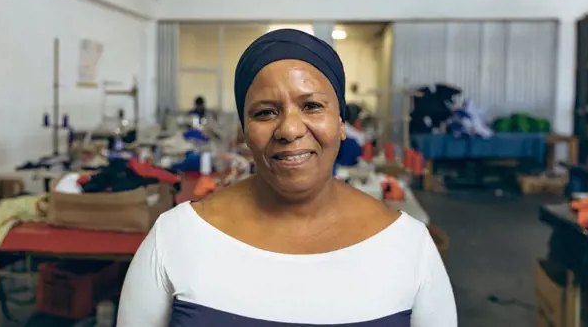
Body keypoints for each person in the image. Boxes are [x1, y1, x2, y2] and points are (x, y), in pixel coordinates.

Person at [117, 29, 457, 326]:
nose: (290, 129)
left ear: (341, 123)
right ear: (245, 132)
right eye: (265, 112)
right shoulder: (175, 239)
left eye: (311, 106)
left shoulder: (410, 249)